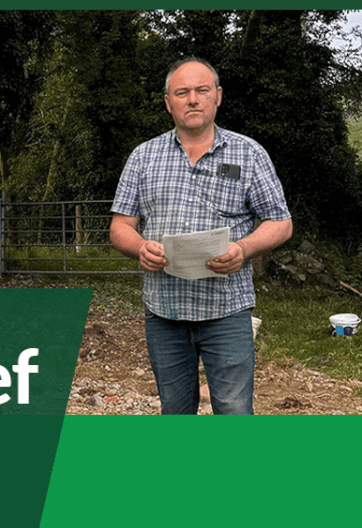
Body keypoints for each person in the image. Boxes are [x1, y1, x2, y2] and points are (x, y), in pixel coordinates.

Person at [109, 57, 292, 415]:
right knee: (175, 413)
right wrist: (140, 247)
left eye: (201, 91)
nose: (192, 99)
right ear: (168, 102)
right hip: (164, 312)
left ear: (217, 97)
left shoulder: (248, 153)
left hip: (227, 311)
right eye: (182, 92)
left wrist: (243, 248)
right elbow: (120, 227)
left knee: (234, 412)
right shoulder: (143, 157)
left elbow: (281, 222)